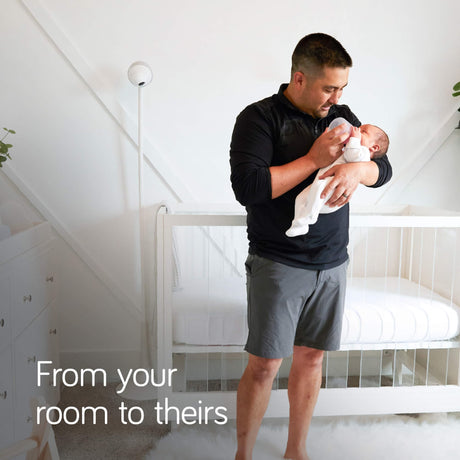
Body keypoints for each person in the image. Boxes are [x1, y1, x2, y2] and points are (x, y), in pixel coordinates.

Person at [229, 33, 392, 460]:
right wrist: (313, 160)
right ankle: (243, 454)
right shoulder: (259, 118)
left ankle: (295, 451)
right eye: (329, 88)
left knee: (312, 359)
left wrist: (357, 172)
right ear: (299, 79)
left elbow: (383, 168)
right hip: (278, 261)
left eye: (343, 88)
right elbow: (248, 188)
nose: (337, 99)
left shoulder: (341, 115)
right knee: (265, 365)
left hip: (332, 261)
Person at [286, 120, 389, 236]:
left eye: (363, 132)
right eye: (359, 128)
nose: (356, 130)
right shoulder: (351, 147)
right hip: (325, 182)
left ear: (374, 147)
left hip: (333, 187)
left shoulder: (364, 154)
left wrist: (354, 139)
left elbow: (352, 155)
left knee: (318, 190)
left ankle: (308, 219)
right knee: (301, 197)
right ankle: (298, 222)